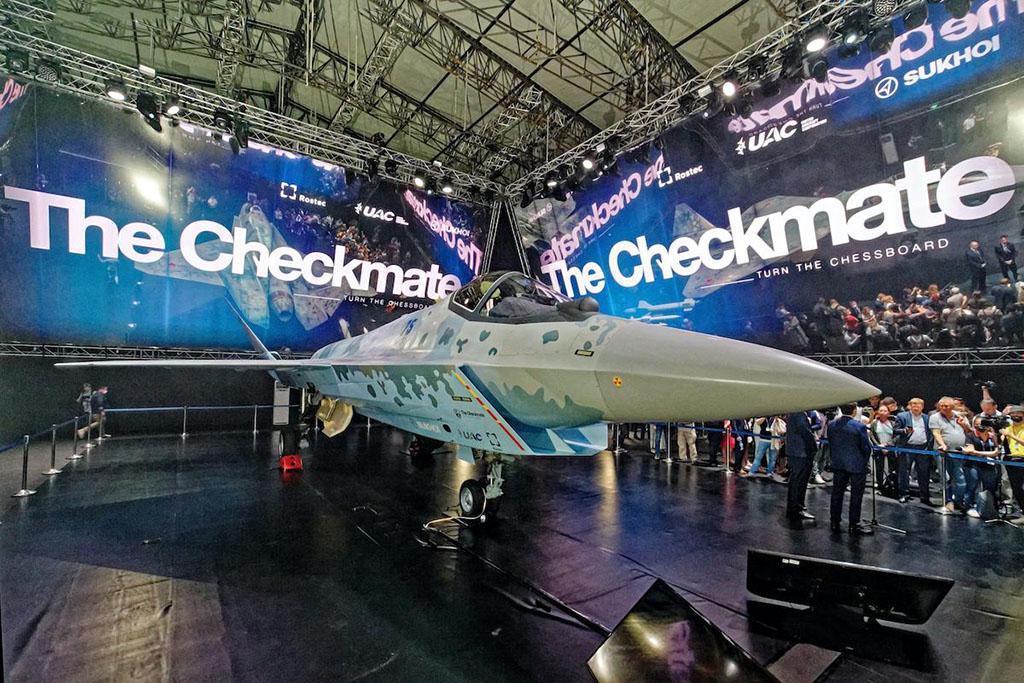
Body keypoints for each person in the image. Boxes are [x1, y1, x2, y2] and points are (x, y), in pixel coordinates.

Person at [828, 403, 874, 535]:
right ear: (854, 411)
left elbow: (831, 443)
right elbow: (866, 447)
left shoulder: (832, 425)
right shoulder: (859, 426)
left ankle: (834, 522)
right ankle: (854, 524)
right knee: (856, 496)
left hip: (838, 463)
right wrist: (865, 461)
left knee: (837, 493)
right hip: (857, 465)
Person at [931, 396, 971, 513]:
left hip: (958, 452)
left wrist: (963, 425)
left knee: (960, 479)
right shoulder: (935, 417)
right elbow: (936, 433)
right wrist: (942, 445)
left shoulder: (960, 416)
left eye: (946, 406)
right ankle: (948, 501)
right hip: (942, 453)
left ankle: (958, 501)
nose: (943, 408)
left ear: (952, 406)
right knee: (946, 478)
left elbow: (969, 431)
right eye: (941, 406)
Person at [894, 398, 935, 505]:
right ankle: (904, 494)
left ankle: (924, 496)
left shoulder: (927, 418)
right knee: (904, 472)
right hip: (907, 447)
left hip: (923, 448)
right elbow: (895, 430)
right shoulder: (902, 416)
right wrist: (904, 430)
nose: (916, 406)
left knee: (924, 473)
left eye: (918, 404)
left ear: (923, 406)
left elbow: (931, 432)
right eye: (913, 404)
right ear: (910, 406)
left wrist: (928, 446)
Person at [963, 416, 1001, 518]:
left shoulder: (992, 436)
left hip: (989, 466)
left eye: (982, 424)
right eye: (977, 424)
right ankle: (968, 506)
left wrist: (977, 452)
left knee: (990, 487)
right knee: (972, 485)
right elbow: (970, 451)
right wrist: (989, 453)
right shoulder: (970, 435)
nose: (980, 426)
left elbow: (997, 451)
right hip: (972, 464)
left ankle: (988, 508)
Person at [785, 411, 817, 522]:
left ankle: (793, 508)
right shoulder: (799, 415)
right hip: (801, 453)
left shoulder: (793, 414)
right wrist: (814, 447)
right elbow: (806, 434)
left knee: (795, 481)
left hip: (796, 453)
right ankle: (797, 509)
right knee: (799, 482)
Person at [998, 406, 1024, 519]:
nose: (1015, 416)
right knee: (1016, 488)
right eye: (1013, 414)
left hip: (1022, 459)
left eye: (1018, 413)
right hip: (1011, 459)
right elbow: (1000, 444)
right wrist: (997, 436)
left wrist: (1010, 435)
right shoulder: (1008, 428)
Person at [868, 405, 896, 496]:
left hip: (890, 449)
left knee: (892, 468)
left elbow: (896, 436)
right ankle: (880, 486)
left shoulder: (893, 423)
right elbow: (872, 435)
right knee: (879, 469)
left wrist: (887, 445)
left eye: (885, 411)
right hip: (879, 449)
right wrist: (878, 446)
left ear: (888, 412)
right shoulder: (874, 423)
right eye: (881, 411)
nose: (882, 413)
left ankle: (890, 486)